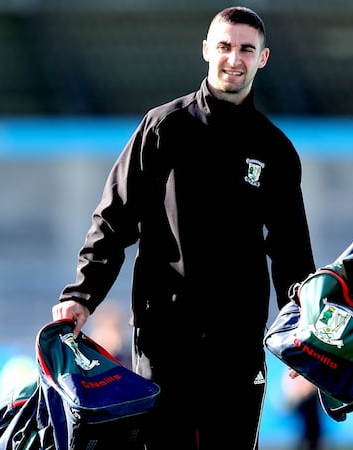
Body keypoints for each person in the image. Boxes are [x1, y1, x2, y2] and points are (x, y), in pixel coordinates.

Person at [51, 6, 315, 450]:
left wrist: (302, 334)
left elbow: (291, 252)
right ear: (206, 50)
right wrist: (82, 294)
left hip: (238, 341)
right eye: (225, 46)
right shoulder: (163, 128)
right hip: (164, 336)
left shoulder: (276, 149)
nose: (234, 58)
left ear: (263, 58)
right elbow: (114, 220)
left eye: (246, 49)